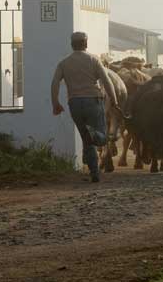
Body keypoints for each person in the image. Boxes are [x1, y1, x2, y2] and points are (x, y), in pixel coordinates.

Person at [51, 32, 119, 182]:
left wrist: (55, 103)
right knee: (101, 137)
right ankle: (95, 134)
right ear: (85, 43)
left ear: (72, 44)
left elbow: (55, 83)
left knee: (86, 139)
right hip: (93, 101)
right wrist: (114, 100)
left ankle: (94, 172)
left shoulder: (64, 63)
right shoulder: (94, 59)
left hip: (74, 103)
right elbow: (106, 81)